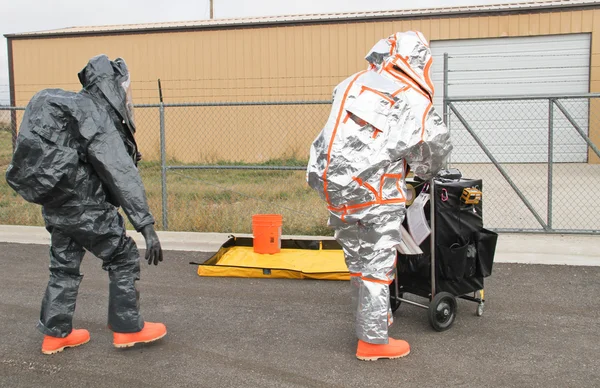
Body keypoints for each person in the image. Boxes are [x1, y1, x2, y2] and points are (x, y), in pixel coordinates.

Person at [6, 55, 167, 355]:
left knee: (63, 268)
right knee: (123, 256)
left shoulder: (71, 109)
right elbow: (118, 171)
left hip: (57, 207)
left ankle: (55, 334)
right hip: (85, 207)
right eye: (123, 87)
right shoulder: (94, 114)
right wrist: (146, 226)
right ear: (111, 86)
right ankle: (127, 328)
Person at [307, 31, 452, 361]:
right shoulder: (411, 97)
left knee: (358, 261)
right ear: (418, 60)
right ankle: (373, 342)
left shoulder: (352, 82)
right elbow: (433, 151)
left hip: (334, 186)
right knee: (377, 264)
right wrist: (424, 172)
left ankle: (374, 320)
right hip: (375, 190)